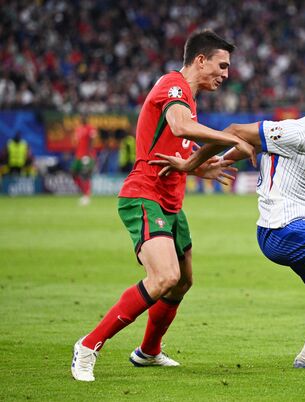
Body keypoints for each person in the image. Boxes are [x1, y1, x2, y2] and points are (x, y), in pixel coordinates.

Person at [151, 89, 305, 372]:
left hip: (293, 227)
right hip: (284, 228)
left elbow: (253, 142)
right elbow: (235, 130)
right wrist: (194, 163)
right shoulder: (298, 132)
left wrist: (224, 160)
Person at [71, 30, 255, 382]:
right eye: (222, 65)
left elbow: (175, 153)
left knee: (182, 281)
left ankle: (148, 352)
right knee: (165, 276)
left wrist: (204, 167)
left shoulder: (189, 98)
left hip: (171, 202)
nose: (226, 74)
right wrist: (232, 137)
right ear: (200, 60)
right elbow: (180, 126)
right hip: (143, 194)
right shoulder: (172, 85)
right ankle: (88, 345)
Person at [71, 115, 98, 206]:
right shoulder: (78, 129)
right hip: (78, 155)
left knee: (85, 174)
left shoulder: (90, 128)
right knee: (73, 173)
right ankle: (83, 192)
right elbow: (76, 142)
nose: (83, 119)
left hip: (87, 155)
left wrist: (89, 153)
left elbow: (93, 140)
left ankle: (87, 196)